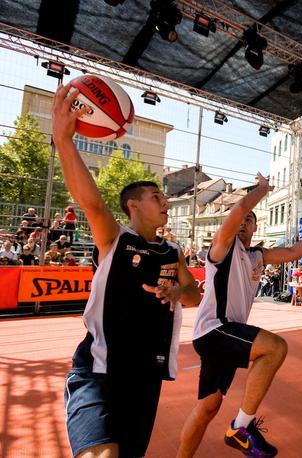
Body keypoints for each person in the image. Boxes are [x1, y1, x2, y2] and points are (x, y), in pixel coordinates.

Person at [53, 85, 201, 458]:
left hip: (146, 377)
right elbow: (90, 199)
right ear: (133, 206)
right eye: (156, 197)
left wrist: (176, 294)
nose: (165, 202)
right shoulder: (114, 239)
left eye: (164, 197)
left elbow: (194, 294)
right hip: (99, 370)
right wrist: (64, 140)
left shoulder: (172, 250)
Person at [179, 173, 302, 458]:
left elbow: (292, 251)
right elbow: (238, 211)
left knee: (208, 407)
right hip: (214, 329)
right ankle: (241, 428)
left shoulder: (257, 256)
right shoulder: (223, 248)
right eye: (239, 219)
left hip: (225, 335)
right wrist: (262, 189)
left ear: (255, 227)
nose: (242, 222)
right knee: (275, 348)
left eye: (249, 220)